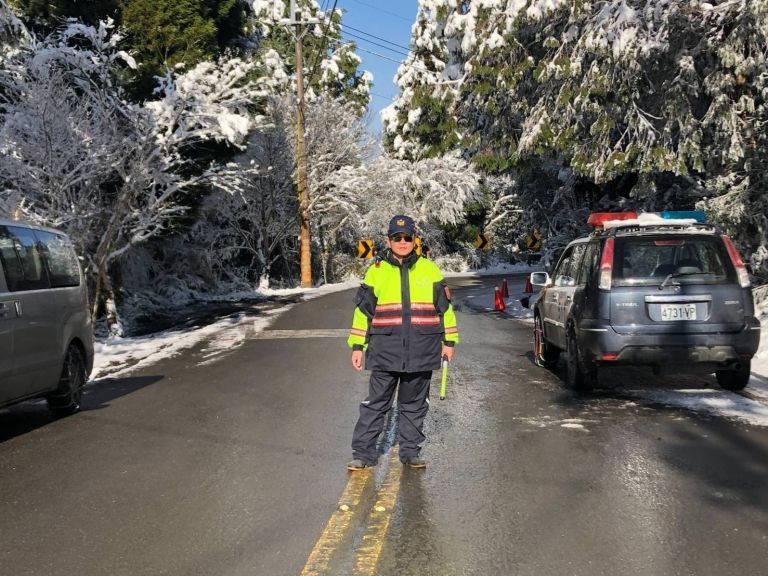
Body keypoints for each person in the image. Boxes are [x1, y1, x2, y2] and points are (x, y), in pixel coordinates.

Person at [346, 215, 459, 470]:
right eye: (397, 238)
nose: (402, 242)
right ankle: (363, 454)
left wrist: (449, 341)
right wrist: (357, 346)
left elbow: (445, 310)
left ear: (414, 240)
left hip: (422, 350)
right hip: (385, 350)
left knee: (414, 406)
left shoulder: (429, 270)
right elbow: (363, 312)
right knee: (375, 405)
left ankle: (410, 453)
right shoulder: (376, 271)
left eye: (407, 237)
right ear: (388, 240)